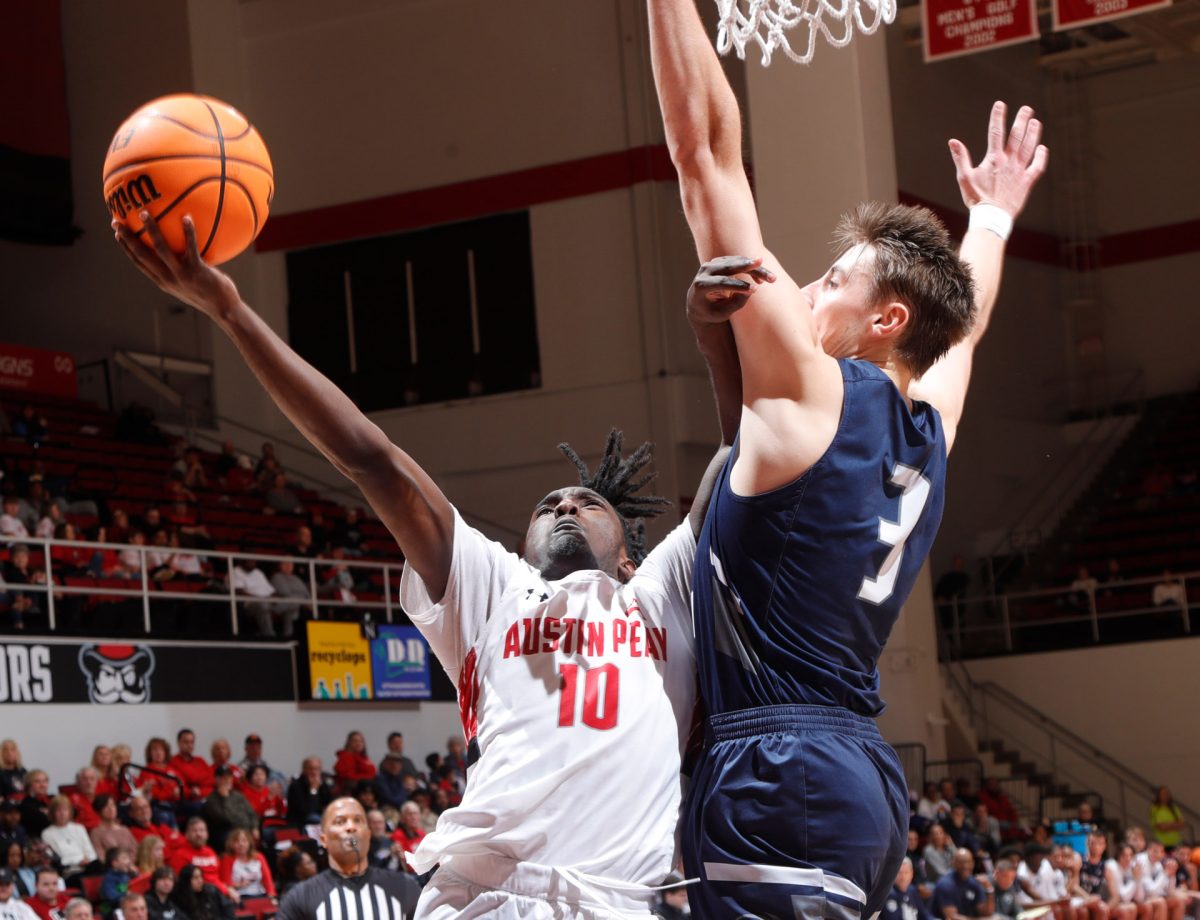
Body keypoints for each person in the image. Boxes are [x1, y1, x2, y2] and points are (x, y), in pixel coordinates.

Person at [114, 212, 714, 917]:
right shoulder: (494, 589)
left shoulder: (660, 595)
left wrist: (715, 338)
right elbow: (373, 459)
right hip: (484, 899)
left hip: (617, 902)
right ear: (519, 547)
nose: (563, 505)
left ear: (627, 558)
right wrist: (230, 309)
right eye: (549, 501)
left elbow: (744, 462)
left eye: (587, 502)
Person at [646, 1, 1047, 914]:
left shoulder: (815, 391)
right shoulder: (929, 423)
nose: (809, 287)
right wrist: (990, 216)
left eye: (833, 280)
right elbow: (967, 326)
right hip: (854, 775)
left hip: (779, 772)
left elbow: (706, 155)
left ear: (885, 322)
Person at [275, 798, 418, 920]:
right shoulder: (300, 896)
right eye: (340, 822)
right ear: (324, 839)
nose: (351, 827)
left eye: (357, 820)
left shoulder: (405, 886)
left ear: (368, 835)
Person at [40, 798, 98, 880]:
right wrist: (78, 861)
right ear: (52, 813)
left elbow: (91, 852)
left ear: (70, 812)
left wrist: (88, 860)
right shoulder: (47, 833)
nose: (62, 813)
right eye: (58, 810)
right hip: (68, 870)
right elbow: (58, 859)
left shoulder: (79, 828)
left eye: (65, 810)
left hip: (87, 866)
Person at [930, 849, 995, 920]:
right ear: (953, 863)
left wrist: (989, 890)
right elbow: (952, 917)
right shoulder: (945, 884)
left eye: (968, 862)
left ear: (973, 863)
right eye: (961, 862)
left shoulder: (974, 882)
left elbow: (986, 913)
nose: (965, 866)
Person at [217, 830, 274, 902]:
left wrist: (272, 896)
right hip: (238, 897)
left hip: (260, 895)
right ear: (231, 844)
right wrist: (239, 885)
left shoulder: (259, 857)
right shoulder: (227, 859)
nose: (241, 844)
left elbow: (268, 880)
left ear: (249, 843)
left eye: (244, 841)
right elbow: (225, 885)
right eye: (236, 841)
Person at [285, 759, 331, 830]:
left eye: (317, 769)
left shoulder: (323, 784)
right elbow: (307, 811)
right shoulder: (296, 786)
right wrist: (313, 790)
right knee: (314, 818)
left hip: (319, 818)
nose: (314, 772)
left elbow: (329, 804)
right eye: (310, 769)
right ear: (304, 770)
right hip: (300, 822)